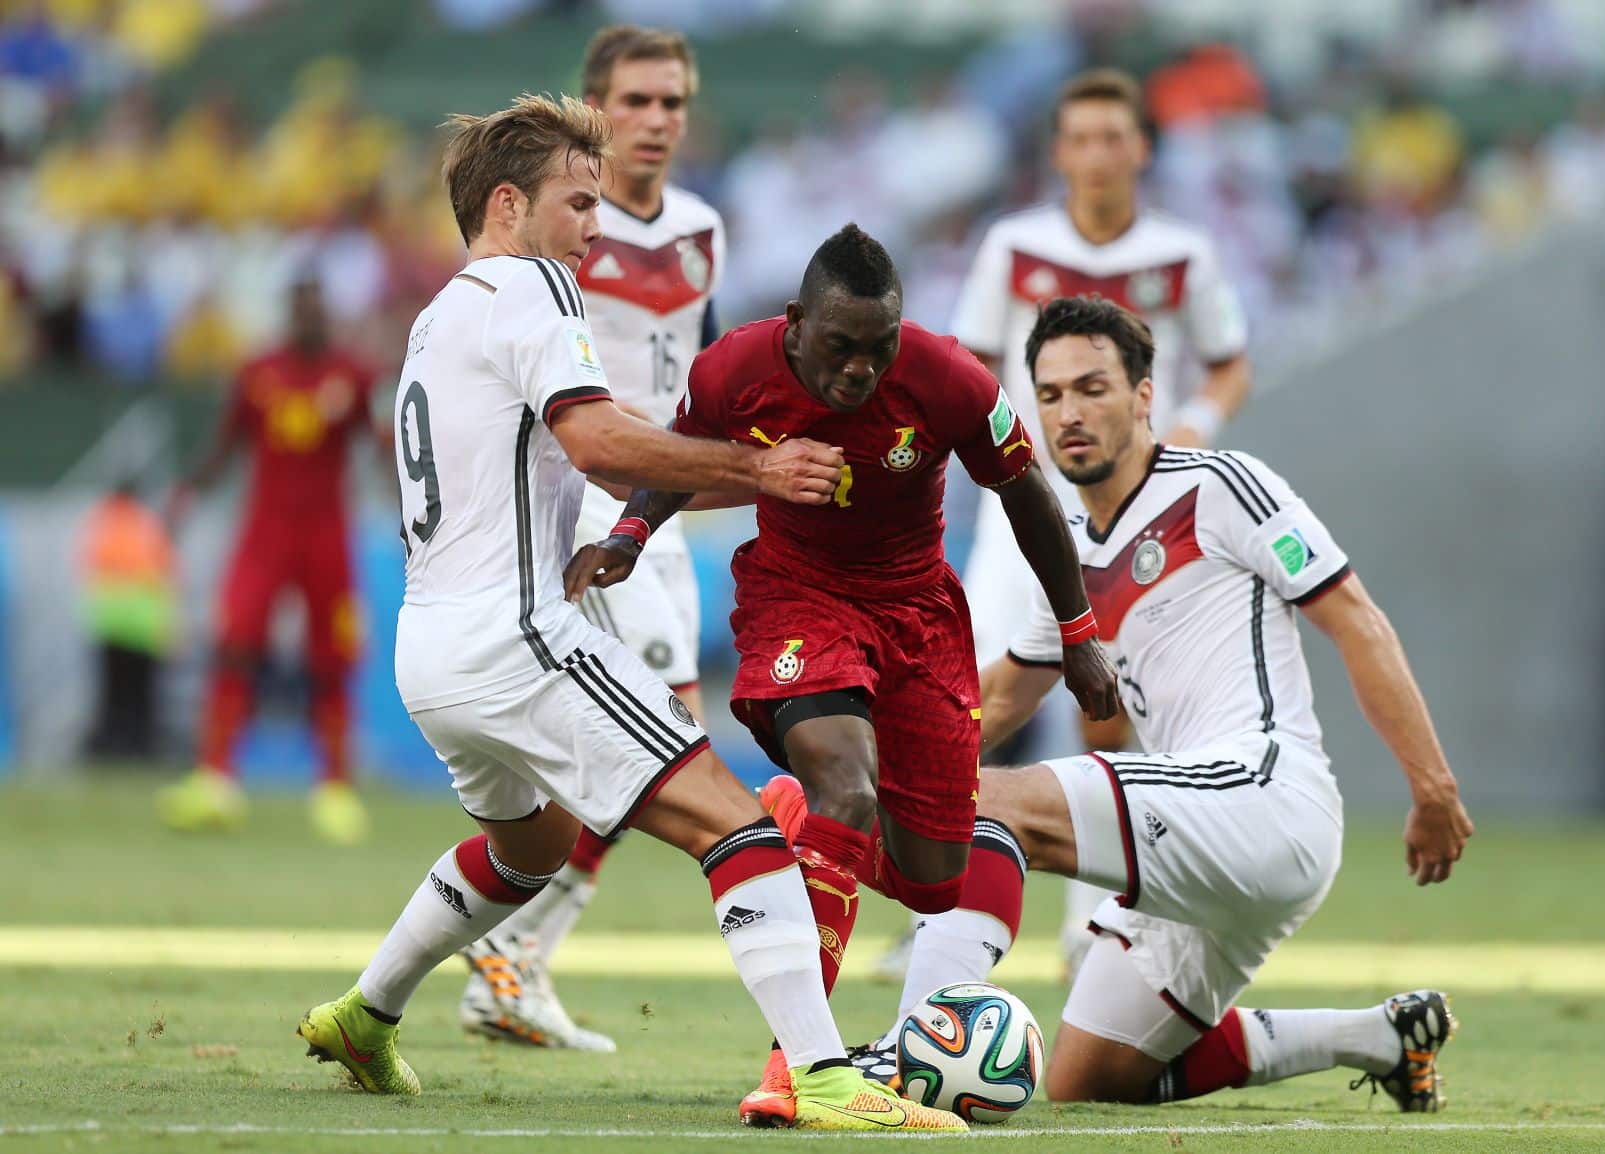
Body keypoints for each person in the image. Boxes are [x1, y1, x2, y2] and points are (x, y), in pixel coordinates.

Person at [291, 95, 966, 1132]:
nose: (597, 227)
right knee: (737, 825)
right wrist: (756, 461)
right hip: (519, 634)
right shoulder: (532, 288)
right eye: (579, 202)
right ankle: (825, 1074)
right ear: (508, 204)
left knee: (531, 846)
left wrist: (756, 479)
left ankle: (365, 1010)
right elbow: (602, 442)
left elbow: (598, 456)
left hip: (430, 646)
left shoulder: (442, 312)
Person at [816, 295, 1473, 1110]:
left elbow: (1357, 622)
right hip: (1194, 839)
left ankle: (907, 1050)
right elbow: (996, 697)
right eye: (1049, 395)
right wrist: (859, 764)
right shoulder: (1067, 546)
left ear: (1144, 395)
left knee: (989, 806)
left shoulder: (1221, 487)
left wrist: (1433, 784)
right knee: (1088, 1077)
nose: (1070, 413)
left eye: (1092, 387)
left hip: (1266, 797)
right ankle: (1377, 1038)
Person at [568, 223, 1119, 1127]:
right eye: (840, 347)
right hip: (800, 596)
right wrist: (629, 537)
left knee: (934, 879)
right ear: (794, 325)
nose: (860, 369)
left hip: (918, 616)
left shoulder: (949, 381)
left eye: (877, 347)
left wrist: (1079, 631)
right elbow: (680, 451)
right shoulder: (730, 370)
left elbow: (1029, 497)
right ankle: (802, 1069)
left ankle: (798, 824)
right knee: (846, 783)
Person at [935, 68, 1256, 975]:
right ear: (1058, 151)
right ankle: (934, 884)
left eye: (1114, 137)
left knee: (1116, 702)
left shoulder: (1183, 253)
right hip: (1028, 504)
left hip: (1138, 504)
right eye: (1081, 138)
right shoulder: (1015, 245)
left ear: (1142, 148)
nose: (1097, 155)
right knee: (983, 686)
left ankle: (1092, 917)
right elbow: (970, 363)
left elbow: (1230, 363)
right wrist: (1001, 454)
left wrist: (1191, 427)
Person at [456, 23, 725, 1055]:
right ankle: (511, 952)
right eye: (636, 101)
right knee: (662, 735)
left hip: (656, 512)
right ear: (594, 105)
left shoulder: (702, 228)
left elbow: (693, 370)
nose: (655, 121)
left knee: (635, 747)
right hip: (579, 509)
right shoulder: (559, 229)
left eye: (672, 103)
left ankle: (511, 953)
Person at [156, 277, 379, 845]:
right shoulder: (259, 373)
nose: (309, 320)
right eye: (301, 310)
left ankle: (334, 790)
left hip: (326, 532)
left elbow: (379, 446)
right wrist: (188, 490)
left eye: (317, 311)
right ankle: (216, 783)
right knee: (236, 644)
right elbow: (226, 443)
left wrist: (414, 510)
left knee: (331, 658)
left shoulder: (351, 375)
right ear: (289, 314)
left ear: (325, 316)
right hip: (265, 530)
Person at [79, 479, 176, 762]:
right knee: (142, 699)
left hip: (109, 624)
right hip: (144, 628)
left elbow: (88, 566)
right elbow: (166, 577)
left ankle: (110, 752)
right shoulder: (148, 525)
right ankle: (140, 751)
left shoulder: (102, 522)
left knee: (112, 698)